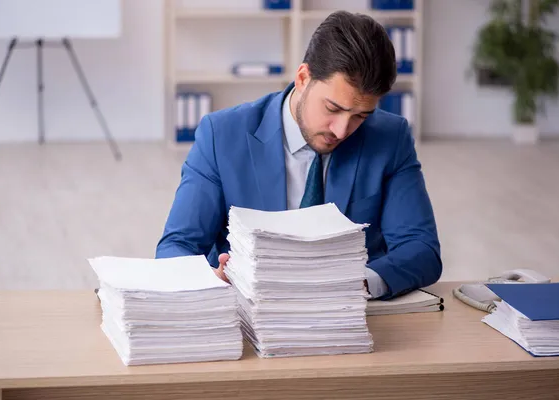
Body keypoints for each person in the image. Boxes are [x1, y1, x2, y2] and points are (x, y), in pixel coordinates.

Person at [156, 10, 442, 299]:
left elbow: (421, 249)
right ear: (303, 78)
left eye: (360, 116)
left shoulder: (390, 138)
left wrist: (360, 282)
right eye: (333, 108)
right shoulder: (221, 135)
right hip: (249, 316)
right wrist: (209, 281)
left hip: (349, 316)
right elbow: (176, 246)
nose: (342, 131)